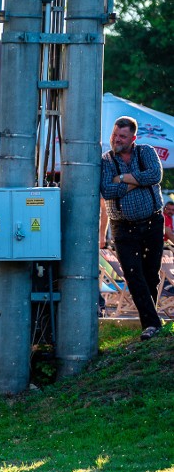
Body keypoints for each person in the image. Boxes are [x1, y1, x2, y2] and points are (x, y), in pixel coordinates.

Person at [100, 116, 165, 341]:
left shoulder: (145, 151)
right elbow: (107, 190)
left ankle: (152, 319)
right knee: (133, 274)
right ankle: (152, 324)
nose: (116, 140)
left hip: (152, 222)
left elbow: (155, 175)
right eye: (114, 135)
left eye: (122, 137)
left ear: (133, 138)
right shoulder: (106, 160)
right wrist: (138, 181)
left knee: (151, 274)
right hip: (122, 227)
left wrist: (124, 179)